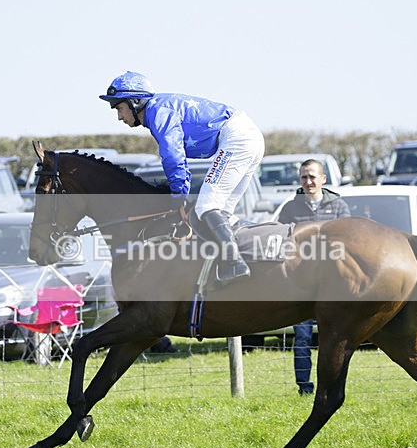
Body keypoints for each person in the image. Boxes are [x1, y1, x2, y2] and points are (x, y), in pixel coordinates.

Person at [99, 71, 265, 286]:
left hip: (237, 137)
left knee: (206, 206)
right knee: (222, 212)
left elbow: (172, 156)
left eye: (119, 108)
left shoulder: (157, 111)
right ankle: (248, 259)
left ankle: (235, 264)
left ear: (135, 101)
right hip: (247, 135)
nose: (119, 117)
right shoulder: (157, 110)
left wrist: (179, 195)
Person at [277, 158, 350, 395]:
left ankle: (330, 388)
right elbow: (282, 241)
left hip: (333, 283)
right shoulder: (290, 207)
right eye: (303, 177)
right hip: (301, 284)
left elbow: (348, 243)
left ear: (323, 179)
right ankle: (304, 388)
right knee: (302, 339)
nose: (308, 182)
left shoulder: (339, 206)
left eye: (312, 177)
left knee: (335, 340)